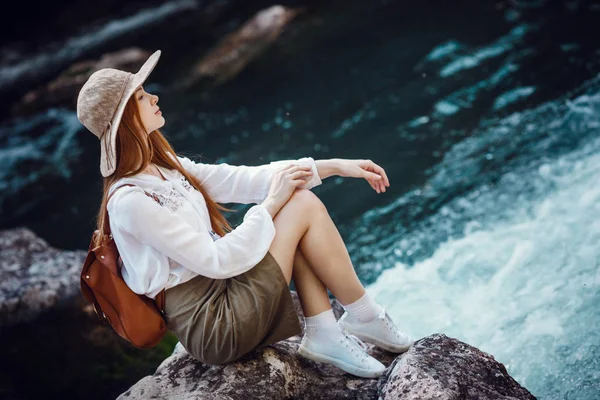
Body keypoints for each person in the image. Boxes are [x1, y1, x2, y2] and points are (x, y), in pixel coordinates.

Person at [76, 49, 414, 379]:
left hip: (226, 290)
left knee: (294, 203)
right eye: (140, 97)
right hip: (214, 324)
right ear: (124, 123)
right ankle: (362, 315)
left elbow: (247, 178)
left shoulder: (166, 169)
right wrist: (270, 206)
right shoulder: (130, 201)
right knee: (297, 206)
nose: (154, 98)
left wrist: (336, 166)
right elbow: (215, 260)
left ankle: (328, 330)